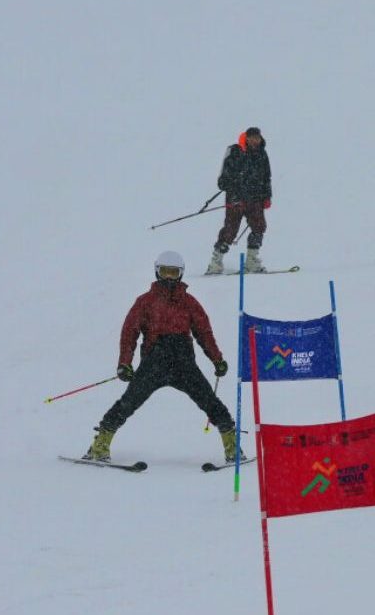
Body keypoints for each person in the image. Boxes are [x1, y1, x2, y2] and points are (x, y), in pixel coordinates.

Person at [83, 250, 244, 463]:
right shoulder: (146, 301)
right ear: (157, 272)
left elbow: (204, 333)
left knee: (209, 401)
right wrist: (125, 363)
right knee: (128, 403)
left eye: (173, 272)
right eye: (165, 272)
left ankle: (232, 446)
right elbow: (130, 332)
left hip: (183, 363)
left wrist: (217, 359)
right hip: (154, 363)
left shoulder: (189, 302)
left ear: (180, 274)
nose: (169, 277)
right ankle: (100, 445)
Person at [206, 126, 273, 274]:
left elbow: (266, 177)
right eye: (253, 137)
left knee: (259, 227)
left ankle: (251, 262)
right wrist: (235, 196)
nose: (255, 140)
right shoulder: (234, 151)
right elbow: (223, 180)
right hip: (236, 200)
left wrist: (267, 197)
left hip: (256, 200)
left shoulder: (262, 154)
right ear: (246, 138)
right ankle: (215, 263)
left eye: (258, 137)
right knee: (230, 231)